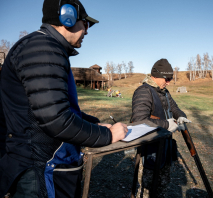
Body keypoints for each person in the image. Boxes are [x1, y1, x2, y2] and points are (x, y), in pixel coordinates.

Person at [0, 0, 128, 197]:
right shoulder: (43, 49)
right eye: (85, 24)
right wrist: (108, 136)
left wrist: (95, 124)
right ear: (66, 17)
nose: (87, 31)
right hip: (39, 169)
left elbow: (59, 108)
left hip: (43, 165)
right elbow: (56, 120)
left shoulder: (46, 48)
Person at [130, 58, 191, 197]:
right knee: (145, 191)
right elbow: (139, 121)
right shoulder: (143, 91)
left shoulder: (165, 92)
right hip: (148, 150)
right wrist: (167, 125)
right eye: (167, 78)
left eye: (170, 78)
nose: (169, 82)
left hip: (164, 149)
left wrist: (181, 116)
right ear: (156, 75)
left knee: (161, 189)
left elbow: (175, 109)